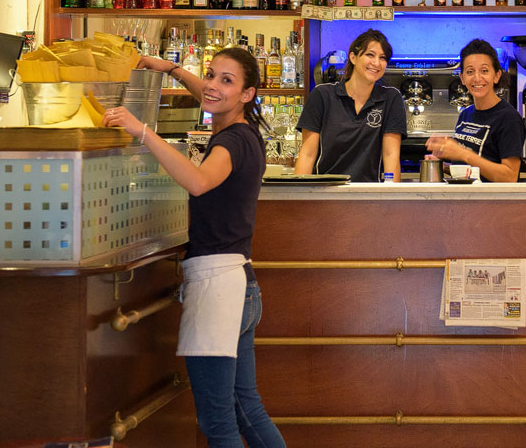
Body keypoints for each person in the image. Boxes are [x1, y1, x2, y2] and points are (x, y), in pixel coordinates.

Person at [102, 48, 285, 448]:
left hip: (217, 287)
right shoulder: (247, 134)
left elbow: (199, 182)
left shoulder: (232, 141)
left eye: (227, 81)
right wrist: (168, 68)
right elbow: (204, 90)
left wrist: (142, 131)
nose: (213, 86)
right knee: (246, 410)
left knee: (219, 422)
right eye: (211, 75)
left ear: (248, 94)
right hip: (241, 285)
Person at [295, 28, 407, 181]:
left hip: (370, 195)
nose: (376, 63)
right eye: (370, 55)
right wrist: (302, 199)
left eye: (383, 58)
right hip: (326, 192)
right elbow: (307, 154)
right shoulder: (322, 95)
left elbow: (391, 155)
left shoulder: (391, 98)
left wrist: (391, 200)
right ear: (353, 57)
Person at [426, 39, 525, 182]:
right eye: (470, 71)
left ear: (497, 75)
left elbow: (510, 177)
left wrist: (463, 153)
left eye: (484, 71)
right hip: (467, 201)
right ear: (462, 78)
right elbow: (474, 170)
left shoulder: (508, 118)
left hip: (492, 203)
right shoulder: (465, 115)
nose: (477, 78)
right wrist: (444, 166)